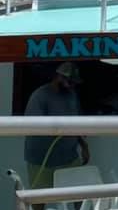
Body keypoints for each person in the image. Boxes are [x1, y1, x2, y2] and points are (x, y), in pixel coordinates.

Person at [24, 62, 90, 192]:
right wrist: (58, 130)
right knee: (39, 198)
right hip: (42, 160)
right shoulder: (40, 96)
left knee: (79, 194)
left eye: (74, 83)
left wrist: (83, 145)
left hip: (69, 157)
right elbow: (32, 126)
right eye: (69, 82)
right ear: (59, 77)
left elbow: (76, 122)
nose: (72, 86)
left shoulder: (72, 95)